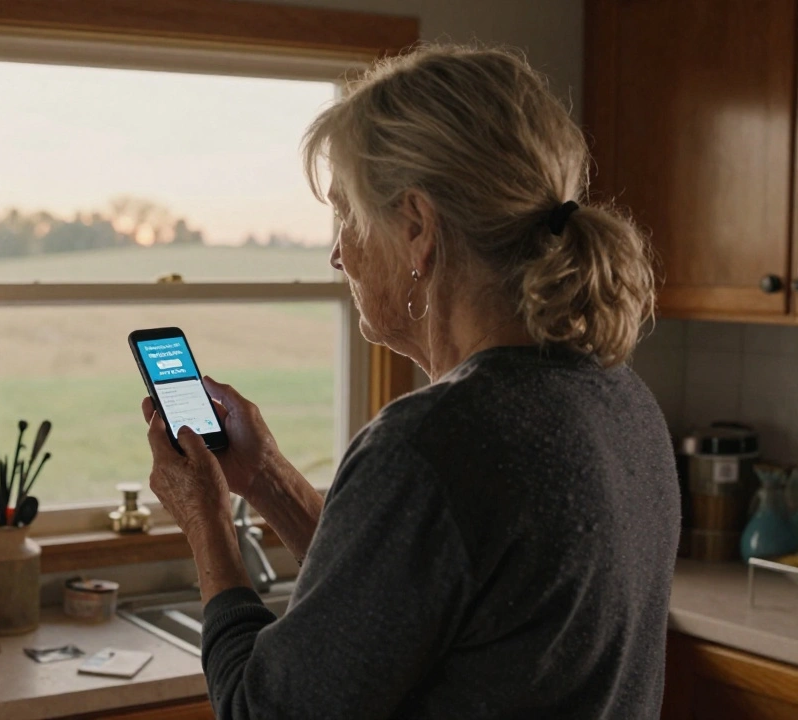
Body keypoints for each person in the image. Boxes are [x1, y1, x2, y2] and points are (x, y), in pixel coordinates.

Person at [141, 44, 679, 719]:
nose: (337, 252)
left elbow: (262, 710)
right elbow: (400, 600)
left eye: (347, 214)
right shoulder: (618, 396)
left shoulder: (432, 443)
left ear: (417, 227)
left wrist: (205, 520)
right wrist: (269, 478)